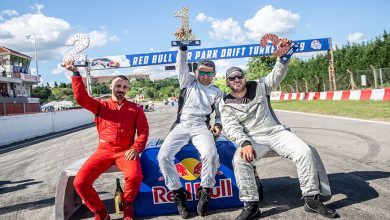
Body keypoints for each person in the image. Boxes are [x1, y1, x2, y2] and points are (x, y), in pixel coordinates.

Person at [220, 39, 338, 220]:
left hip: (276, 132)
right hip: (253, 139)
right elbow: (231, 126)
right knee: (240, 160)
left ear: (244, 77)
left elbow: (277, 74)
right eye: (232, 78)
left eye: (240, 76)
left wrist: (283, 59)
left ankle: (311, 199)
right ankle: (251, 205)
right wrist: (244, 143)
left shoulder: (260, 86)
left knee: (304, 151)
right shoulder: (225, 102)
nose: (237, 80)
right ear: (228, 82)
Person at [64, 61, 149, 220]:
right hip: (103, 151)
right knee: (80, 182)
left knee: (135, 176)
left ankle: (128, 204)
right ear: (111, 87)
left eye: (124, 87)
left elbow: (143, 131)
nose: (121, 89)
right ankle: (101, 213)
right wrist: (75, 73)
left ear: (127, 89)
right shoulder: (100, 106)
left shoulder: (135, 109)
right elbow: (80, 97)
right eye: (118, 86)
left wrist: (136, 148)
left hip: (126, 151)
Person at [157, 46, 223, 218]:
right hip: (182, 125)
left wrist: (218, 125)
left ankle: (205, 190)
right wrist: (183, 48)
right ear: (196, 73)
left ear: (214, 74)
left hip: (201, 126)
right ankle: (178, 193)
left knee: (210, 154)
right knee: (163, 156)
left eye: (209, 73)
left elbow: (220, 115)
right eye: (202, 73)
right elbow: (181, 65)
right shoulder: (188, 82)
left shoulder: (217, 92)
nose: (206, 76)